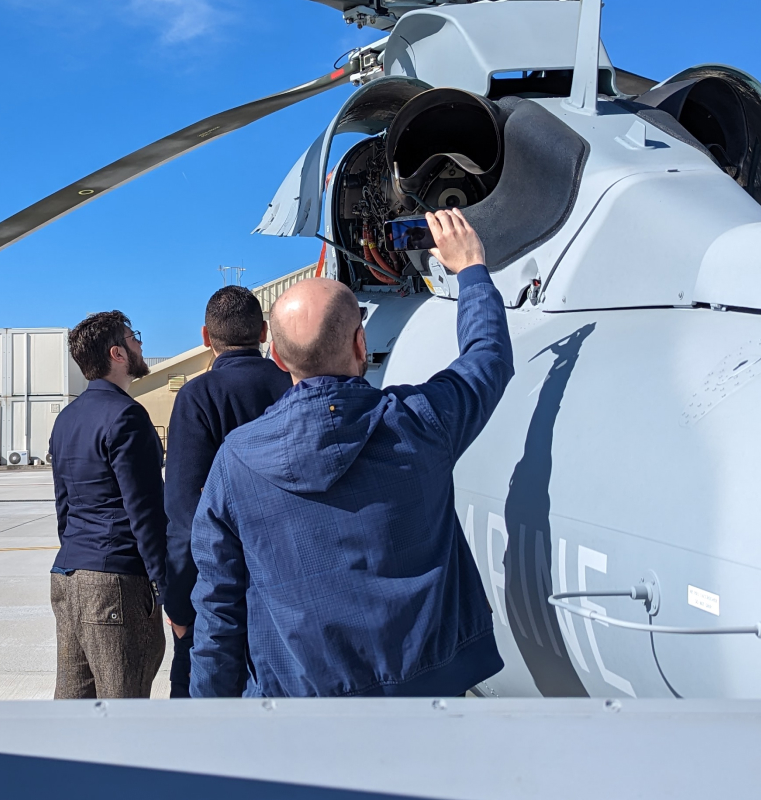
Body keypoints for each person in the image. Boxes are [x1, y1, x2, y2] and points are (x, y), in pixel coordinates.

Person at [189, 208, 513, 698]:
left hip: (298, 715)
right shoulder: (421, 420)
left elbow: (218, 608)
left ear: (275, 357)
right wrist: (469, 268)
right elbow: (486, 357)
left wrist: (209, 718)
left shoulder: (236, 461)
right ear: (362, 342)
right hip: (430, 701)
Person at [163, 286, 292, 697]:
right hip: (288, 594)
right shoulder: (294, 386)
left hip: (219, 601)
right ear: (264, 331)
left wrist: (180, 605)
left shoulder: (198, 396)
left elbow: (184, 515)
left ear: (206, 337)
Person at [48, 311, 167, 699]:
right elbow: (145, 509)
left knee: (74, 705)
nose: (140, 344)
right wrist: (165, 584)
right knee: (123, 704)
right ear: (117, 353)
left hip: (68, 575)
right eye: (134, 338)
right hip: (114, 580)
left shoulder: (66, 419)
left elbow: (63, 505)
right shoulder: (127, 416)